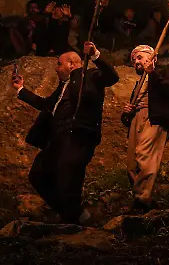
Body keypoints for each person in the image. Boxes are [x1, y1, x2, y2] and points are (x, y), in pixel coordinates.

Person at [12, 42, 118, 223]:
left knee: (67, 176)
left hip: (78, 136)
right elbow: (46, 105)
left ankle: (73, 220)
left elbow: (112, 77)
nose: (56, 69)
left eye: (59, 64)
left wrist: (95, 54)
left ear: (71, 64)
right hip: (57, 138)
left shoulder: (90, 76)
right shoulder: (62, 87)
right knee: (38, 174)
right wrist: (21, 89)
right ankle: (74, 214)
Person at [121, 45, 169, 213]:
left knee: (144, 154)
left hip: (154, 118)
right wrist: (127, 113)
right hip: (137, 119)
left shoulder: (164, 72)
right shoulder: (138, 83)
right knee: (132, 163)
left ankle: (142, 198)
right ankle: (140, 198)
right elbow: (128, 115)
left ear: (152, 57)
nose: (136, 62)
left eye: (139, 57)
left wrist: (152, 72)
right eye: (133, 60)